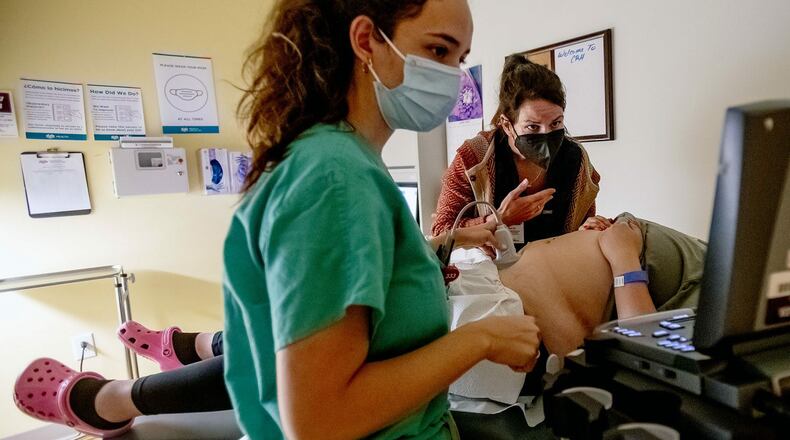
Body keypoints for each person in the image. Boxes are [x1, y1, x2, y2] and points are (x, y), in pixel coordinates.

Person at [15, 1, 545, 439]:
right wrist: (479, 340)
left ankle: (153, 366)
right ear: (366, 41)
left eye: (459, 58)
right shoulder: (335, 180)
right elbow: (316, 421)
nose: (452, 78)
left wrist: (430, 264)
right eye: (437, 51)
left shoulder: (340, 162)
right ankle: (118, 390)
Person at [14, 212, 707, 437]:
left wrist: (625, 265)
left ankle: (112, 399)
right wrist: (491, 238)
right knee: (305, 331)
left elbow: (657, 351)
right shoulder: (720, 253)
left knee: (316, 358)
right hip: (479, 290)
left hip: (504, 328)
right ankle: (156, 372)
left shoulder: (715, 289)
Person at [432, 54, 602, 248]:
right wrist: (499, 219)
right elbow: (441, 231)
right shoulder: (474, 158)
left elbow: (580, 226)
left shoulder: (577, 160)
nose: (546, 134)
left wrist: (588, 229)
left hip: (555, 269)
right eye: (532, 127)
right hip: (493, 272)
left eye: (556, 123)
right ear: (506, 124)